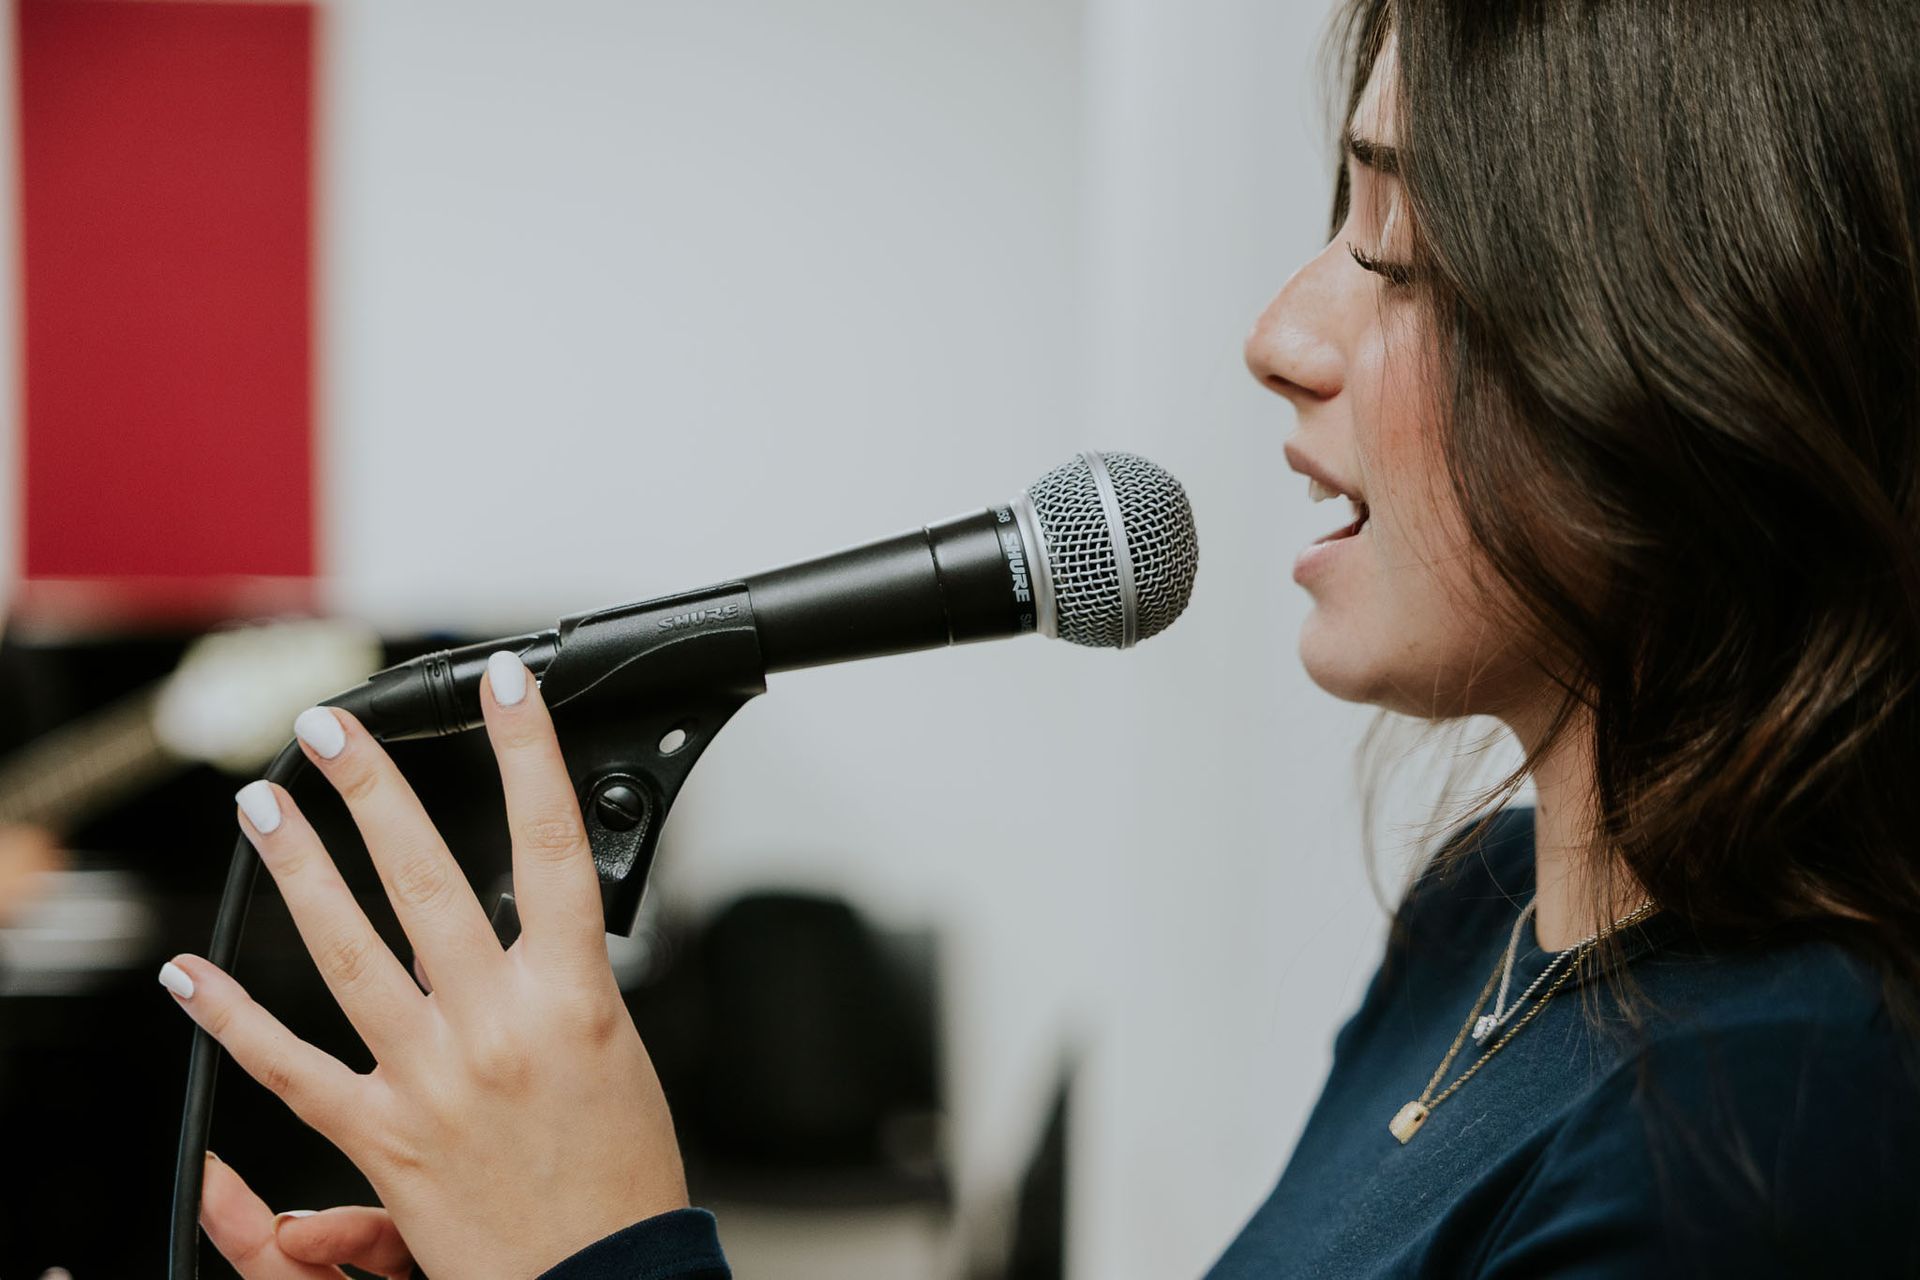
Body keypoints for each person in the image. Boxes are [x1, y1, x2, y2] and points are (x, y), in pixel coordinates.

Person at [173, 0, 1920, 1274]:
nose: (1281, 333)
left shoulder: (1781, 1126)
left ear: (1702, 343)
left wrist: (609, 1260)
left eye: (1400, 246)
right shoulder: (1492, 907)